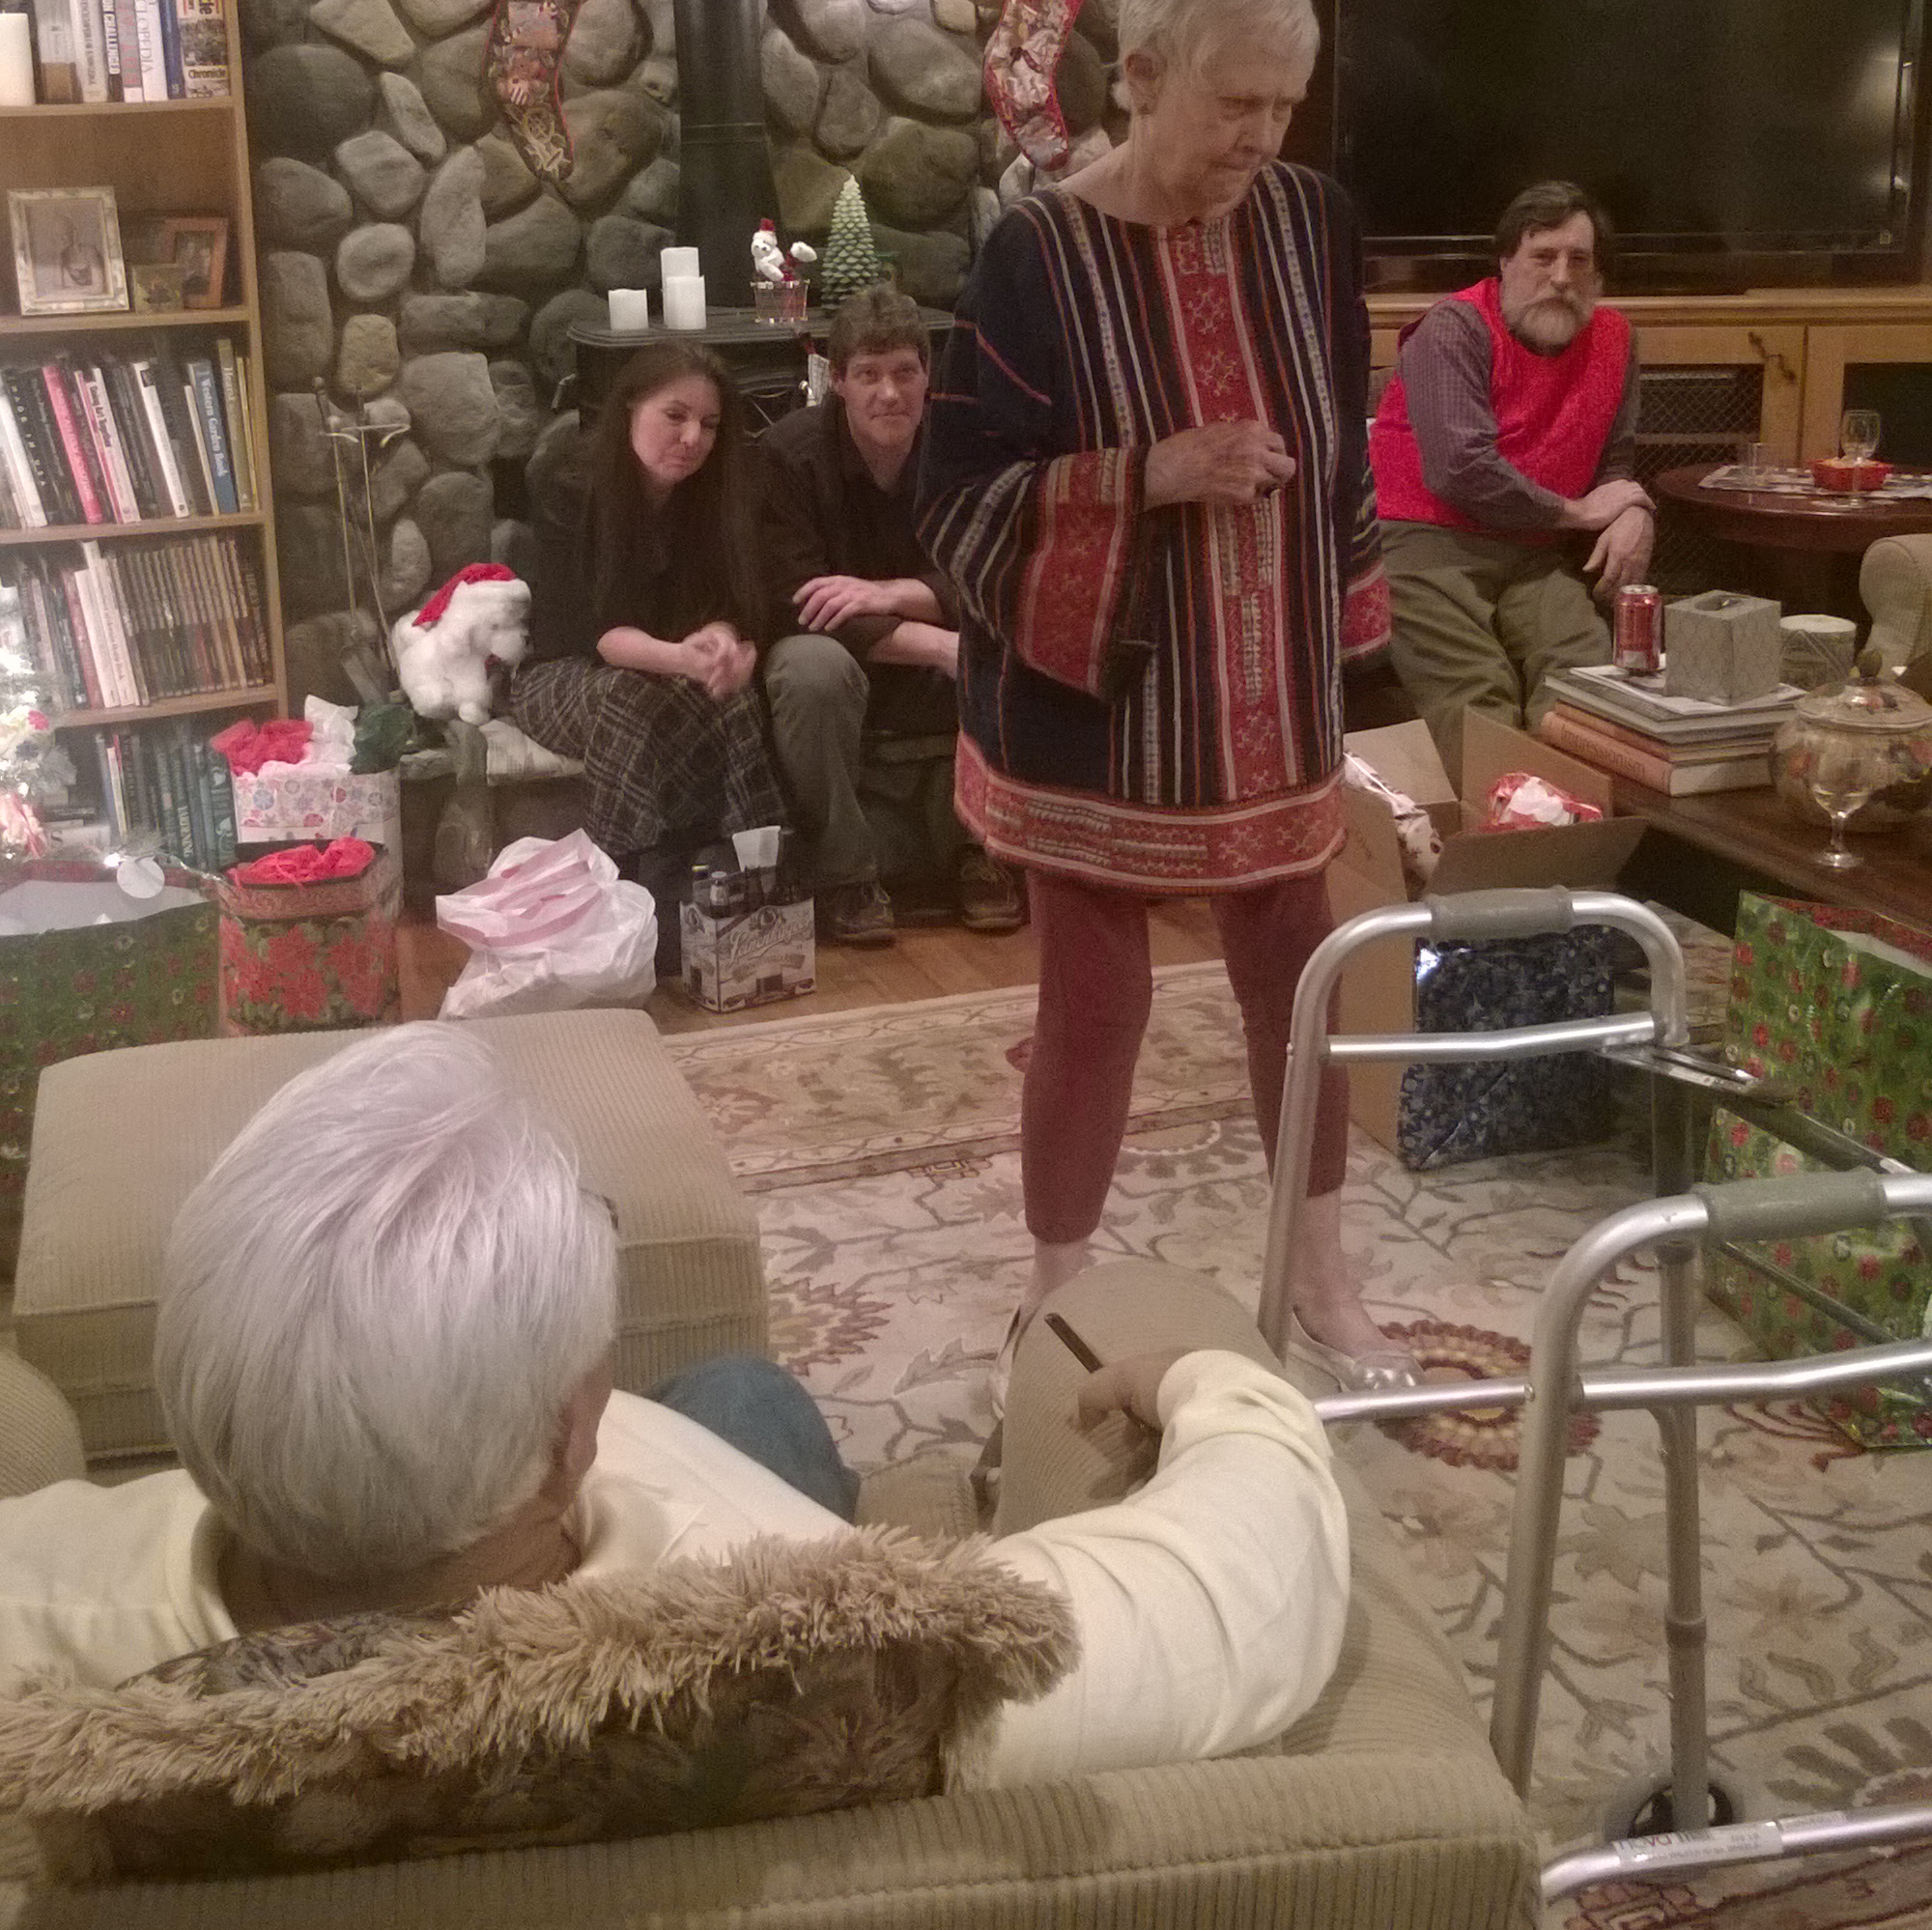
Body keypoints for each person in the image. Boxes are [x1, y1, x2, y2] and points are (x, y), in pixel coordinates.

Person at [0, 1029, 1351, 1791]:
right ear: (569, 1439)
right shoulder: (859, 1672)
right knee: (744, 1395)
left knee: (731, 1392)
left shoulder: (45, 1620)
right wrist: (1206, 1380)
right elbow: (1247, 1586)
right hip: (687, 1555)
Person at [918, 0, 1416, 1400]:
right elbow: (955, 497)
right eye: (1233, 101)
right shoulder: (1034, 258)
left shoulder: (1314, 223)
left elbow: (1341, 434)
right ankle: (1059, 1292)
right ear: (1140, 77)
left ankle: (1318, 1269)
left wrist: (1351, 637)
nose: (1261, 137)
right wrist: (1152, 472)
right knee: (1098, 1003)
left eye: (1285, 105)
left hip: (1272, 700)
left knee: (1300, 978)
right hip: (1096, 715)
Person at [759, 285, 1024, 948]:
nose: (889, 394)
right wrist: (936, 644)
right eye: (869, 375)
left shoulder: (963, 451)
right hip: (835, 655)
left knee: (1010, 634)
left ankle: (980, 850)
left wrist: (895, 593)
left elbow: (997, 570)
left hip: (929, 634)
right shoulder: (787, 456)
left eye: (905, 372)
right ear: (837, 381)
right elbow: (797, 598)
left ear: (928, 378)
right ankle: (847, 877)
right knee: (808, 668)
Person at [1370, 181, 1653, 787]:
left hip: (1534, 550)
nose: (1562, 277)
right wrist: (1578, 514)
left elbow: (1616, 463)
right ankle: (1511, 828)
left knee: (1583, 679)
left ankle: (1575, 822)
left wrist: (1635, 510)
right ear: (1505, 263)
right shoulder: (1454, 328)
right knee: (1477, 692)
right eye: (1543, 256)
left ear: (1599, 276)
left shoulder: (1616, 340)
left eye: (1579, 260)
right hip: (1425, 542)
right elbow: (1460, 469)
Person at [510, 336, 782, 883]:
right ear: (631, 408)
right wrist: (684, 659)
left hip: (663, 671)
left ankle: (756, 872)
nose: (692, 438)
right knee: (626, 696)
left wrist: (721, 640)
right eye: (675, 416)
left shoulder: (714, 495)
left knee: (732, 700)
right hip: (562, 673)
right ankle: (625, 878)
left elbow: (729, 603)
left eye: (709, 424)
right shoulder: (571, 486)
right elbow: (598, 635)